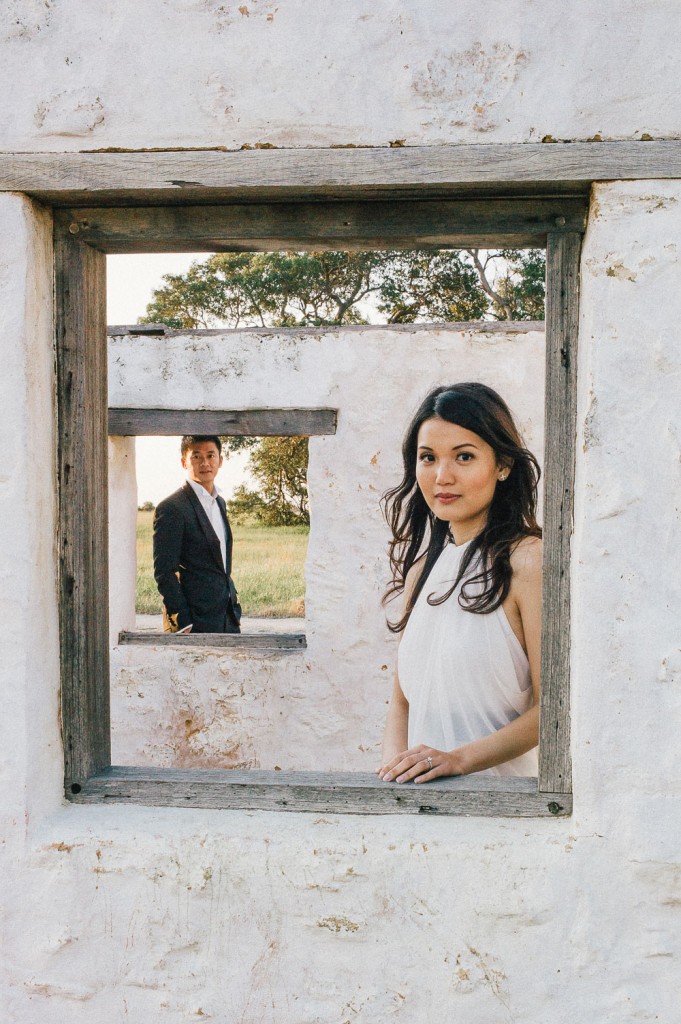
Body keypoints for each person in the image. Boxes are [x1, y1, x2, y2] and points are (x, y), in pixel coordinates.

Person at [377, 383, 542, 782]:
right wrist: (392, 779)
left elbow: (554, 707)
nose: (442, 476)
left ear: (502, 465)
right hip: (421, 820)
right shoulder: (421, 573)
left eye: (464, 457)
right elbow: (402, 702)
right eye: (428, 457)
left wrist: (458, 760)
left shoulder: (528, 562)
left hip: (502, 813)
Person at [153, 435, 241, 634]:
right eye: (197, 456)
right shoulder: (171, 507)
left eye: (211, 456)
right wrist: (182, 621)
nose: (205, 463)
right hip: (193, 622)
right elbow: (164, 571)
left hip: (227, 618)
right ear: (184, 461)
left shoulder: (221, 503)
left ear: (220, 460)